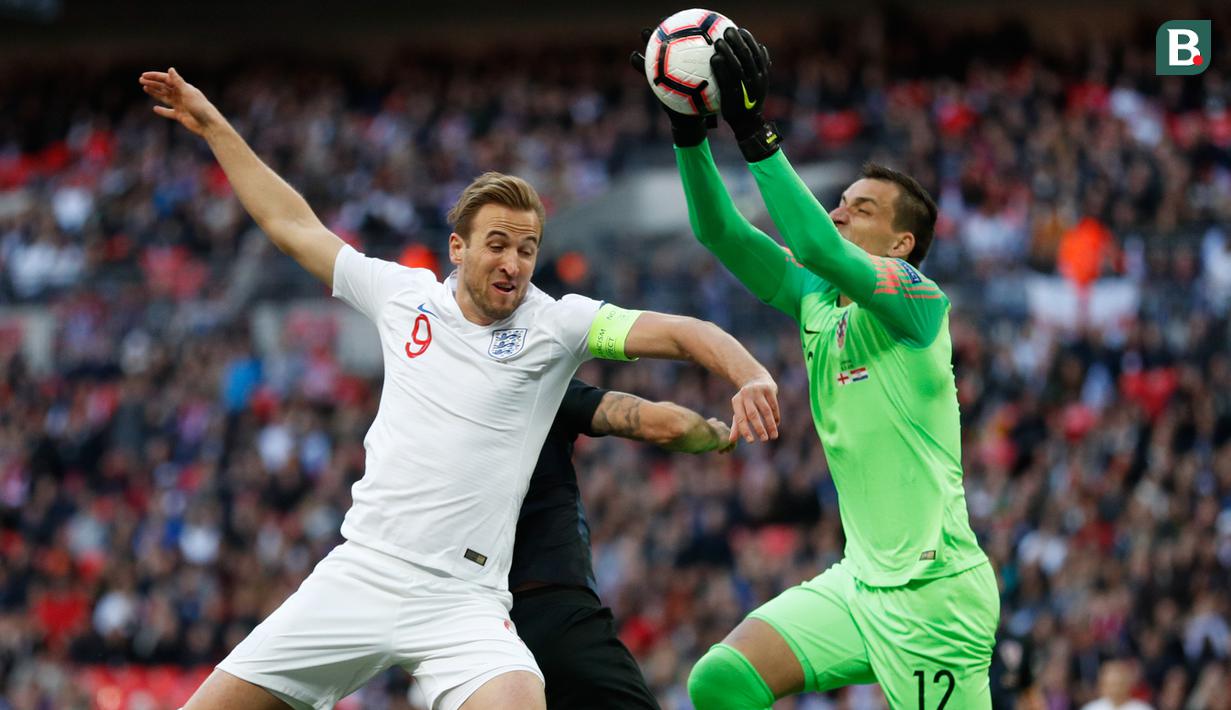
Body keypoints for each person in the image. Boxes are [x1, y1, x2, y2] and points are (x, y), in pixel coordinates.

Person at [140, 68, 781, 710]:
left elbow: (680, 332)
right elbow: (293, 226)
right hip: (364, 570)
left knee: (521, 698)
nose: (513, 263)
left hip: (464, 598)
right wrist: (214, 126)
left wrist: (749, 375)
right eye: (497, 244)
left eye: (526, 249)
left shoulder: (556, 323)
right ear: (457, 248)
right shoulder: (404, 296)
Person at [634, 26, 999, 709]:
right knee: (719, 679)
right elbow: (719, 233)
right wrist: (689, 134)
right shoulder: (813, 299)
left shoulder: (918, 305)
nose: (836, 214)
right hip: (858, 584)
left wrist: (752, 129)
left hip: (935, 599)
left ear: (900, 243)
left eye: (857, 209)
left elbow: (814, 244)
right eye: (840, 202)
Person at [509, 378, 733, 710]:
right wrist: (716, 433)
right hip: (557, 613)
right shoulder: (535, 379)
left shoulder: (431, 404)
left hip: (480, 627)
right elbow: (672, 426)